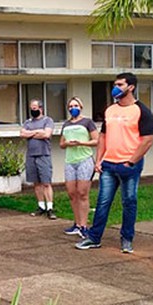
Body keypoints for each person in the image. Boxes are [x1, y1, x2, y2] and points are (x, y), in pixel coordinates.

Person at [76, 72, 153, 253]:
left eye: (120, 84)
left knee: (129, 202)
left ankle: (127, 239)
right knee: (103, 202)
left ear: (131, 87)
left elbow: (147, 139)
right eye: (115, 84)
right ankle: (94, 238)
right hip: (109, 165)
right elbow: (103, 136)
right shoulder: (110, 110)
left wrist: (131, 162)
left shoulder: (141, 110)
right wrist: (99, 160)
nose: (116, 87)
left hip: (129, 166)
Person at [60, 97, 98, 237]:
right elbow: (61, 143)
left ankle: (83, 225)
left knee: (82, 193)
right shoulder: (66, 124)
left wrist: (81, 143)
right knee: (72, 193)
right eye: (70, 106)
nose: (73, 108)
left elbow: (96, 140)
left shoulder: (87, 122)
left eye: (75, 105)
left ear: (81, 107)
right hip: (70, 160)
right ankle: (76, 224)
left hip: (84, 160)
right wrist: (68, 144)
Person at [20, 99, 56, 220]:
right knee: (36, 183)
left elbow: (46, 134)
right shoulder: (28, 122)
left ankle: (50, 208)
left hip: (44, 154)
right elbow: (22, 134)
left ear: (41, 108)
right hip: (31, 155)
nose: (33, 111)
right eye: (31, 108)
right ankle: (41, 206)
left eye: (35, 108)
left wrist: (30, 133)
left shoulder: (47, 120)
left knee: (46, 182)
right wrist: (37, 132)